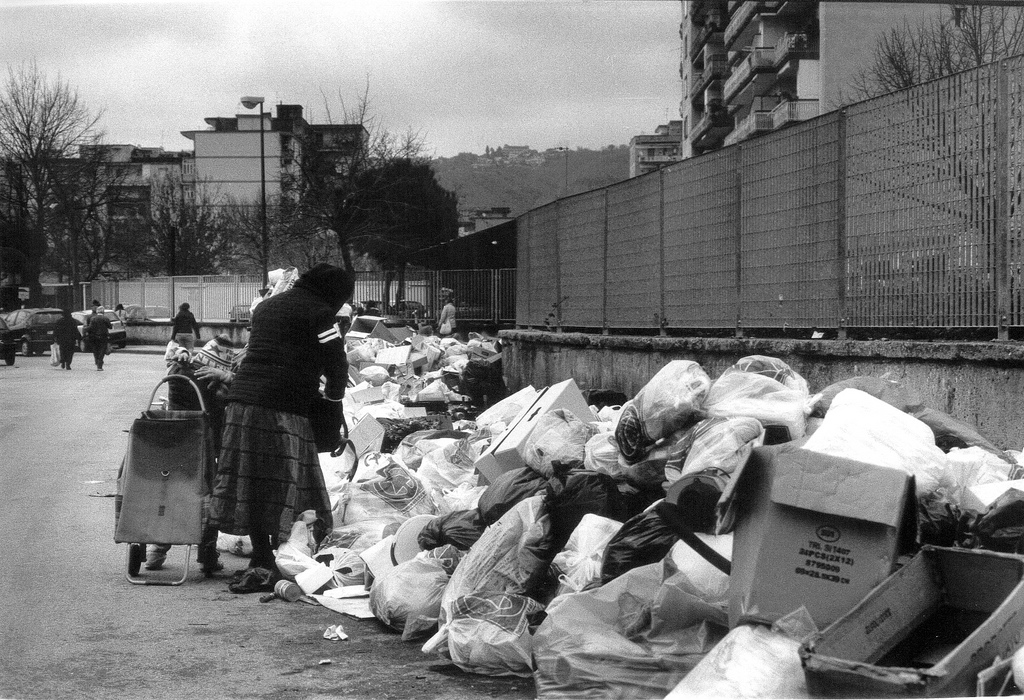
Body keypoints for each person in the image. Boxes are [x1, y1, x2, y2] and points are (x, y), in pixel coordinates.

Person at [209, 263, 354, 594]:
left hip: (242, 404)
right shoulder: (320, 314)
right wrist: (334, 401)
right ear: (333, 292)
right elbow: (336, 363)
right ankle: (273, 558)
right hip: (282, 409)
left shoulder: (267, 307)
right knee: (281, 483)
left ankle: (261, 557)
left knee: (250, 481)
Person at [86, 306, 112, 370]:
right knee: (102, 350)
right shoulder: (105, 318)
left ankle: (97, 361)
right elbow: (110, 326)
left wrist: (86, 330)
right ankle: (100, 364)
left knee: (96, 350)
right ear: (103, 311)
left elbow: (90, 327)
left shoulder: (93, 318)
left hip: (95, 336)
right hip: (103, 336)